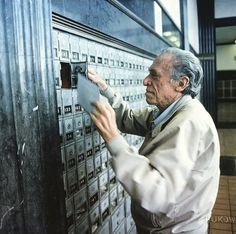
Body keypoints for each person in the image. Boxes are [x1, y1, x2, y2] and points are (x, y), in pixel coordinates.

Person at [88, 47, 220, 234]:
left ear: (181, 83)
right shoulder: (173, 112)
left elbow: (158, 192)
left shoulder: (188, 124)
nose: (145, 81)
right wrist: (105, 90)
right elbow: (129, 118)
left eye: (154, 76)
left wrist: (113, 139)